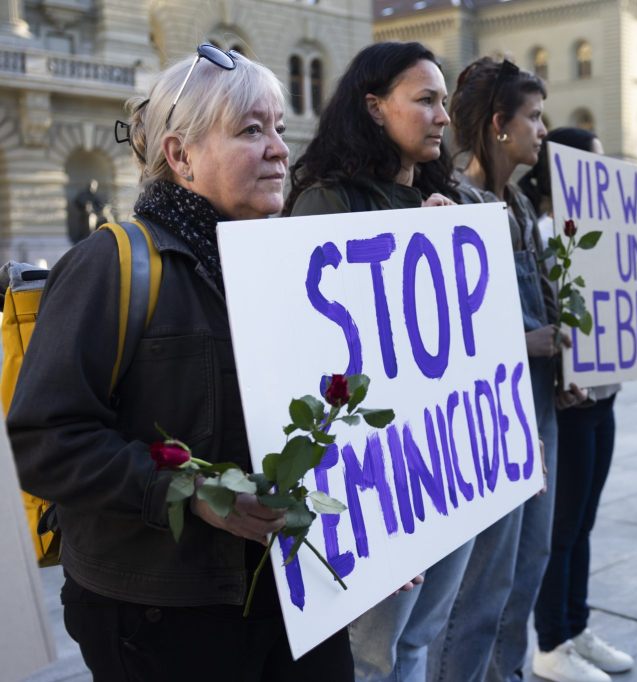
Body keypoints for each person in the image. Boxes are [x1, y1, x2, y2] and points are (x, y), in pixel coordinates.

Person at [7, 45, 355, 680]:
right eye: (251, 130)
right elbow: (42, 441)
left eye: (279, 128)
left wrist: (379, 538)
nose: (280, 149)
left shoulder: (288, 269)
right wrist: (190, 495)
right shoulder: (109, 266)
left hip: (292, 598)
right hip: (160, 618)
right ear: (181, 155)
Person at [284, 41, 464, 682]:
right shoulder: (327, 204)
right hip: (378, 476)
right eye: (426, 100)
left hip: (444, 464)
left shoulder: (444, 206)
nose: (443, 116)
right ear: (374, 107)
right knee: (372, 659)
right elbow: (312, 357)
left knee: (419, 640)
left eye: (444, 101)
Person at [430, 56, 581, 682]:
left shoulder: (517, 202)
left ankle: (507, 674)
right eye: (534, 117)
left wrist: (565, 358)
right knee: (481, 582)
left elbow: (542, 298)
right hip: (487, 411)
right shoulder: (453, 204)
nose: (542, 131)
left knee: (529, 561)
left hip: (536, 404)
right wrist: (528, 342)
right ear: (499, 124)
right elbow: (448, 333)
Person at [519, 128, 633, 682]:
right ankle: (551, 643)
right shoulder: (545, 231)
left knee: (583, 522)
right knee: (562, 528)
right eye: (594, 163)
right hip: (570, 401)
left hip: (604, 394)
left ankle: (575, 623)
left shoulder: (602, 231)